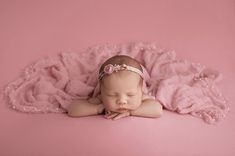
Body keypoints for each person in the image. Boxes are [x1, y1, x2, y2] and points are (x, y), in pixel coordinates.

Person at [67, 55, 163, 120]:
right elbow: (72, 109)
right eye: (112, 95)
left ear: (140, 90)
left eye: (130, 95)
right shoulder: (101, 99)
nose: (122, 101)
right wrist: (97, 108)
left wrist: (131, 112)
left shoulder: (140, 95)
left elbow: (158, 110)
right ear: (102, 91)